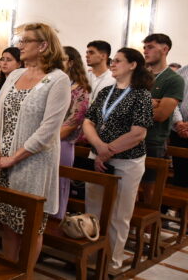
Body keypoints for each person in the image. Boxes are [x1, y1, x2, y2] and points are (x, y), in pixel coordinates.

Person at [0, 23, 70, 264]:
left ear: (43, 45)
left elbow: (48, 130)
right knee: (8, 224)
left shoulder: (58, 80)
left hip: (33, 164)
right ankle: (9, 271)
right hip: (2, 162)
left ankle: (25, 274)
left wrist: (13, 157)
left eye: (25, 41)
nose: (19, 45)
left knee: (31, 227)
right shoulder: (14, 75)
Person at [83, 47, 154, 271]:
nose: (112, 64)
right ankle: (93, 256)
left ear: (133, 65)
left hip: (127, 161)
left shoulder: (141, 94)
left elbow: (138, 133)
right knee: (93, 208)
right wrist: (99, 147)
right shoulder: (106, 92)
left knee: (119, 214)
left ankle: (112, 261)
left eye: (118, 61)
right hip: (98, 156)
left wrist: (108, 150)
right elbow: (88, 122)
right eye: (112, 61)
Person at [140, 34, 184, 205]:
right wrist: (149, 103)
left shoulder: (173, 79)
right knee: (128, 188)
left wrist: (134, 107)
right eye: (144, 47)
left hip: (153, 141)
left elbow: (161, 115)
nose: (145, 51)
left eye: (150, 47)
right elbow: (123, 105)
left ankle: (149, 231)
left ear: (164, 49)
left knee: (149, 191)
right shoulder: (140, 75)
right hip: (128, 138)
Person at [55, 46, 91, 219]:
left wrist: (48, 139)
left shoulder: (80, 89)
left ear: (70, 62)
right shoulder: (53, 82)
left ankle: (56, 218)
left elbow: (74, 120)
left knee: (59, 184)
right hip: (46, 140)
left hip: (61, 143)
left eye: (61, 59)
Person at [170, 65, 188, 187]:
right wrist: (179, 122)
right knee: (180, 176)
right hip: (179, 131)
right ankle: (176, 205)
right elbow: (173, 100)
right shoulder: (182, 72)